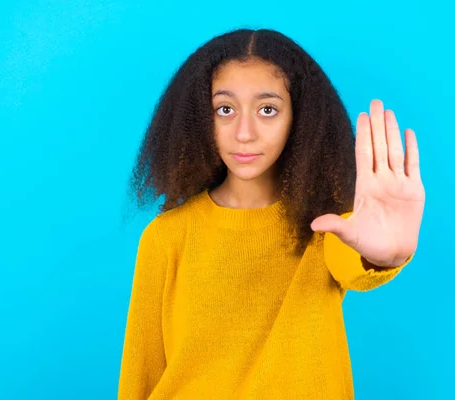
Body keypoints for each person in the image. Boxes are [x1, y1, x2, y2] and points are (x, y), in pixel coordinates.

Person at [118, 28, 425, 399]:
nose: (244, 133)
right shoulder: (166, 236)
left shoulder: (330, 229)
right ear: (201, 118)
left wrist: (384, 256)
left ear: (300, 119)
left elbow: (356, 262)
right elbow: (141, 375)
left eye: (267, 109)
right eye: (225, 109)